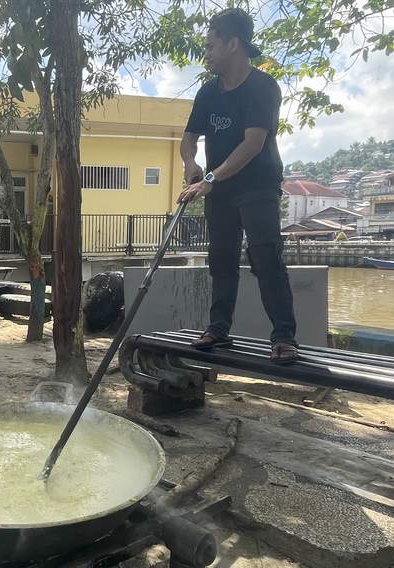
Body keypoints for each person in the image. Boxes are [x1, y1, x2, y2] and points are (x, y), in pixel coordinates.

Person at [178, 8, 298, 364]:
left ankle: (284, 336)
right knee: (221, 259)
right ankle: (218, 328)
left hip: (257, 184)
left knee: (265, 257)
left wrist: (211, 179)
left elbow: (252, 144)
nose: (207, 53)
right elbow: (188, 140)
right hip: (220, 189)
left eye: (212, 45)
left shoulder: (263, 87)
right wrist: (191, 164)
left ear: (233, 44)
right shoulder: (207, 92)